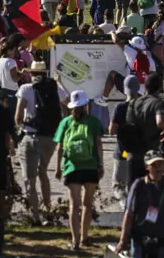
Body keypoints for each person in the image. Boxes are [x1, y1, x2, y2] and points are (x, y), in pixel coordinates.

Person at [53, 89, 104, 252]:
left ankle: (74, 241)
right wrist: (101, 165)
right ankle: (84, 237)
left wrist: (58, 167)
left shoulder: (65, 122)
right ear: (86, 105)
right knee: (87, 204)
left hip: (72, 166)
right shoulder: (94, 122)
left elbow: (60, 146)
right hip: (90, 166)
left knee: (74, 205)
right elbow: (98, 145)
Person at [114, 151, 164, 258]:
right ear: (147, 167)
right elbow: (129, 214)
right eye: (154, 164)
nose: (158, 168)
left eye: (160, 163)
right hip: (142, 239)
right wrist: (123, 240)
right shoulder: (139, 185)